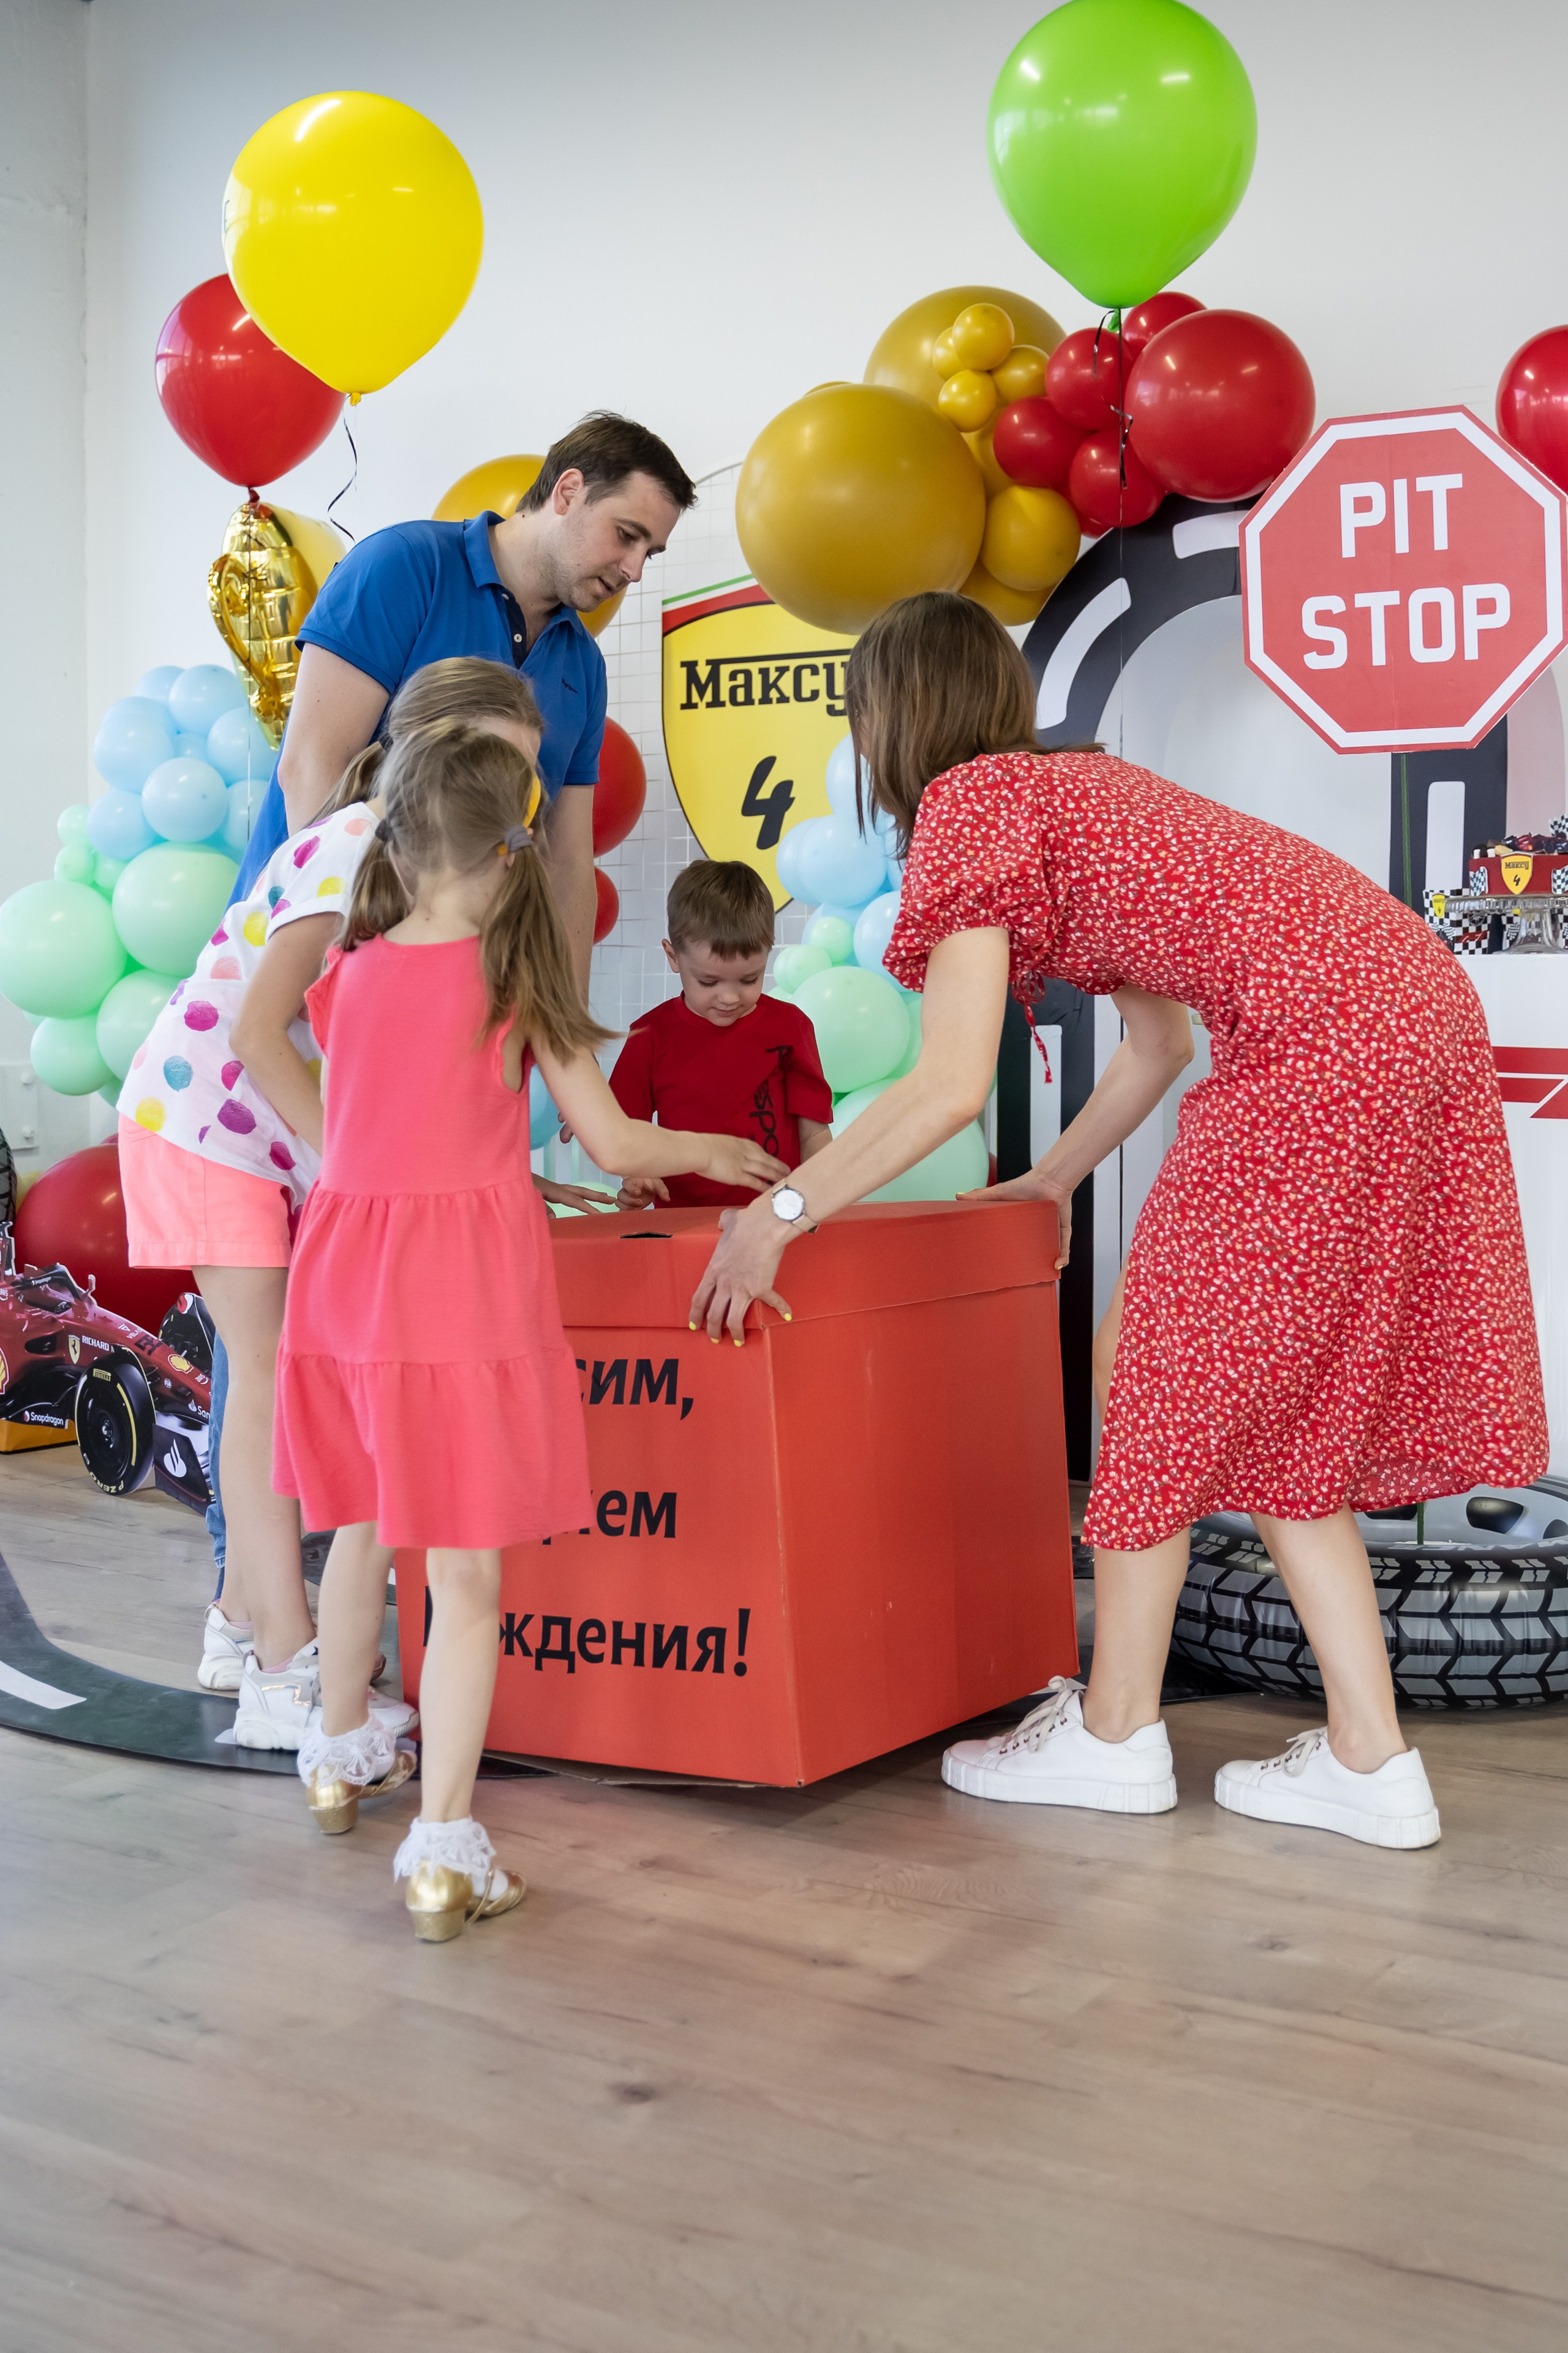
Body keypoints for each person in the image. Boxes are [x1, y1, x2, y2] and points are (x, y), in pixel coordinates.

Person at [689, 591, 1548, 1853]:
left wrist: (782, 1208)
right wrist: (1050, 1181)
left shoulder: (972, 805)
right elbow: (1160, 1040)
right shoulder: (1075, 798)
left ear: (886, 714)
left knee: (1150, 1367)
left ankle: (1111, 1735)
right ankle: (1368, 1757)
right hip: (1407, 1006)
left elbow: (943, 1081)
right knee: (1269, 1402)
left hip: (1322, 1047)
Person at [277, 720, 789, 1940]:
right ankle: (444, 1851)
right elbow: (613, 1143)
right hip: (457, 1286)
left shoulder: (341, 972)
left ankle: (337, 1757)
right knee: (465, 1579)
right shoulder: (513, 982)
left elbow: (379, 1122)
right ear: (511, 853)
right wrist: (717, 1151)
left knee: (360, 1520)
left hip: (344, 1271)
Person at [118, 659, 564, 1740]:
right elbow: (257, 1031)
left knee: (280, 1385)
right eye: (504, 766)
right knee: (267, 1383)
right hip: (204, 1124)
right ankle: (285, 1673)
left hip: (271, 1141)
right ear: (437, 757)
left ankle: (240, 1623)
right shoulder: (359, 843)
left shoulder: (426, 868)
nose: (518, 798)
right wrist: (351, 1162)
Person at [608, 858, 832, 1212]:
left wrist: (819, 1202)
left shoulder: (791, 1027)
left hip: (776, 1222)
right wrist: (637, 1177)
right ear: (673, 957)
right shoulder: (648, 1036)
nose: (730, 998)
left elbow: (815, 1134)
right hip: (682, 1224)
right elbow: (624, 1134)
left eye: (749, 980)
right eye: (709, 982)